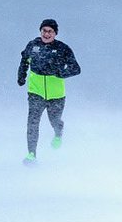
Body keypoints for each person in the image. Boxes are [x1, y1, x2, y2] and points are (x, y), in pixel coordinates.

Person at [17, 18, 81, 165]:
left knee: (54, 121)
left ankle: (58, 132)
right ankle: (31, 154)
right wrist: (21, 75)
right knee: (32, 123)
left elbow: (76, 68)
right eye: (44, 31)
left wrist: (61, 73)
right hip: (36, 93)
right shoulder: (33, 45)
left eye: (50, 31)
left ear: (55, 33)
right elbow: (24, 60)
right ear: (40, 31)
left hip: (56, 96)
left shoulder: (62, 49)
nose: (46, 34)